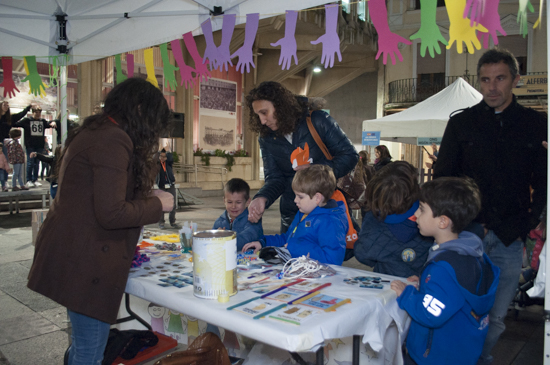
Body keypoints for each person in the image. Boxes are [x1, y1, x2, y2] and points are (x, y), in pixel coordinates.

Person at [27, 78, 174, 365]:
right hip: (86, 260)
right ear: (141, 110)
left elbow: (100, 191)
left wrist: (144, 193)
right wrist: (157, 204)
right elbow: (112, 212)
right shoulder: (113, 139)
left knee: (84, 345)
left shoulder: (98, 131)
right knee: (90, 352)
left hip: (76, 252)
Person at [433, 48, 547, 364]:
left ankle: (478, 359)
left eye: (500, 78)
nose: (492, 87)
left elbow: (544, 180)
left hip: (510, 237)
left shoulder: (535, 124)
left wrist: (529, 220)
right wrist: (460, 221)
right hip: (467, 235)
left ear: (515, 80)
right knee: (459, 308)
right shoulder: (461, 124)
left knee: (496, 317)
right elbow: (443, 178)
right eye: (485, 79)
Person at [391, 177, 500, 365]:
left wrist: (407, 294)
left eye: (422, 209)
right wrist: (426, 283)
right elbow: (455, 293)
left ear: (443, 221)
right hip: (461, 352)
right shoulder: (470, 253)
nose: (415, 213)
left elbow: (431, 313)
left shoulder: (445, 266)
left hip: (435, 357)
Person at [246, 81, 358, 233]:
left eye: (264, 113)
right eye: (257, 115)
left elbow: (349, 155)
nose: (262, 121)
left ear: (280, 107)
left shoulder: (318, 120)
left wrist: (315, 171)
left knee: (326, 253)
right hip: (293, 213)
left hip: (326, 208)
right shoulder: (265, 137)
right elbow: (274, 178)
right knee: (292, 253)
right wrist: (262, 198)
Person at [242, 165, 348, 265]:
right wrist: (263, 243)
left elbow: (333, 260)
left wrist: (295, 247)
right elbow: (288, 239)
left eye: (300, 197)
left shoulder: (330, 222)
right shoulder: (303, 213)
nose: (295, 200)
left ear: (317, 198)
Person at [354, 161, 432, 277]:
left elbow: (362, 254)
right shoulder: (431, 215)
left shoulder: (374, 221)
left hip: (387, 285)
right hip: (424, 284)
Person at [213, 178, 264, 252]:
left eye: (238, 202)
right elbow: (210, 243)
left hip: (250, 261)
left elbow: (246, 239)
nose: (233, 206)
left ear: (248, 202)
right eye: (229, 202)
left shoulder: (252, 220)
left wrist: (225, 237)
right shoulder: (219, 222)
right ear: (224, 201)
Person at [14, 105, 56, 188]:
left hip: (39, 145)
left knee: (37, 163)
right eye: (36, 112)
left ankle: (35, 179)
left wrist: (53, 122)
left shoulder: (42, 121)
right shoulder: (27, 120)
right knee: (30, 162)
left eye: (39, 112)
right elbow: (16, 123)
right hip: (30, 145)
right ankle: (29, 180)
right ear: (32, 113)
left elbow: (49, 123)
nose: (37, 114)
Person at [156, 144, 180, 229]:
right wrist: (159, 151)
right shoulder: (157, 164)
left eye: (164, 156)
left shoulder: (168, 163)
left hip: (170, 185)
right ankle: (161, 222)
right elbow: (154, 157)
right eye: (161, 156)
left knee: (173, 204)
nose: (162, 158)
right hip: (162, 186)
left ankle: (172, 221)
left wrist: (167, 151)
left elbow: (171, 157)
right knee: (162, 205)